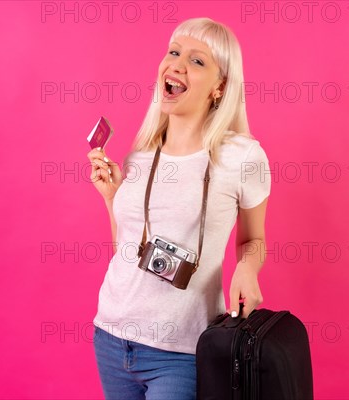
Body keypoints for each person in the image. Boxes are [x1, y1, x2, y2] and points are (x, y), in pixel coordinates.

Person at [86, 17, 271, 400]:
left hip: (181, 351)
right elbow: (127, 248)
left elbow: (254, 238)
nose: (177, 63)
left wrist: (248, 268)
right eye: (173, 52)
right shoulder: (141, 153)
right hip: (111, 337)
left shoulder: (243, 156)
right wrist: (111, 198)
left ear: (220, 87)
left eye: (197, 60)